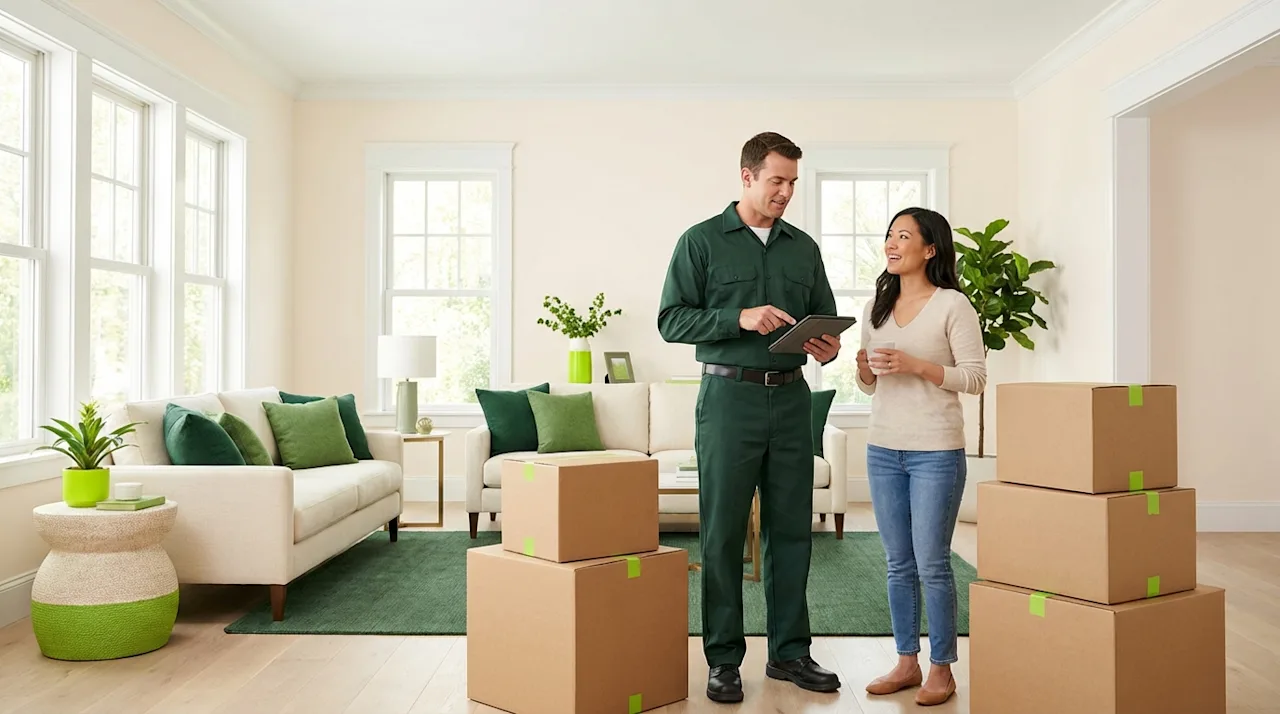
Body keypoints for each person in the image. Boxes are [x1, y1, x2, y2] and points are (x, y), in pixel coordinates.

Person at [657, 131, 842, 704]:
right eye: (776, 180)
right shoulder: (701, 242)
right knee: (722, 533)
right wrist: (738, 317)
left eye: (792, 182)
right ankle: (723, 660)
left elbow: (825, 318)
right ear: (747, 176)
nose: (785, 192)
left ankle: (789, 653)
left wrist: (827, 346)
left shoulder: (802, 248)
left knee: (792, 531)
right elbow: (671, 320)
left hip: (791, 400)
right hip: (728, 401)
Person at [855, 207, 986, 707]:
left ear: (929, 249)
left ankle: (942, 669)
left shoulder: (953, 305)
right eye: (889, 235)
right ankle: (906, 662)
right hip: (883, 446)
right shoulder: (876, 306)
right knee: (897, 563)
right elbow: (870, 388)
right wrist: (864, 368)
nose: (891, 243)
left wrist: (917, 365)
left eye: (903, 236)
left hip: (935, 451)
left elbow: (974, 378)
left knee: (932, 562)